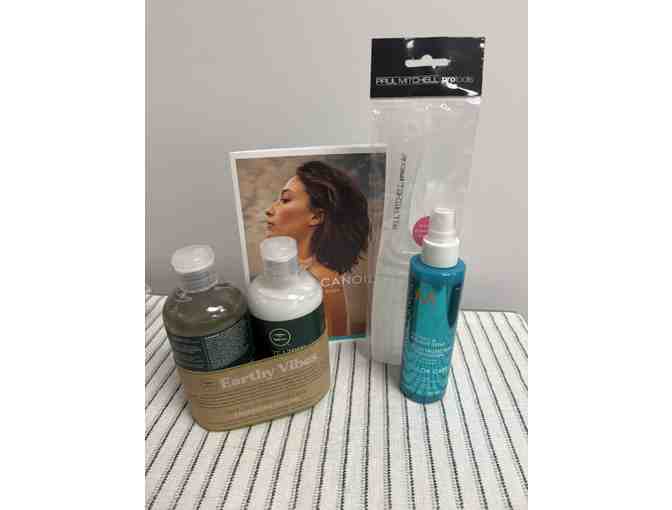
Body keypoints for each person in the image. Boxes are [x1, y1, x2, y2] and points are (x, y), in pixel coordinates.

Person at [265, 160, 370, 337]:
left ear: (316, 216)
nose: (269, 210)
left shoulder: (321, 278)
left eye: (285, 200)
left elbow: (334, 342)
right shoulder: (305, 273)